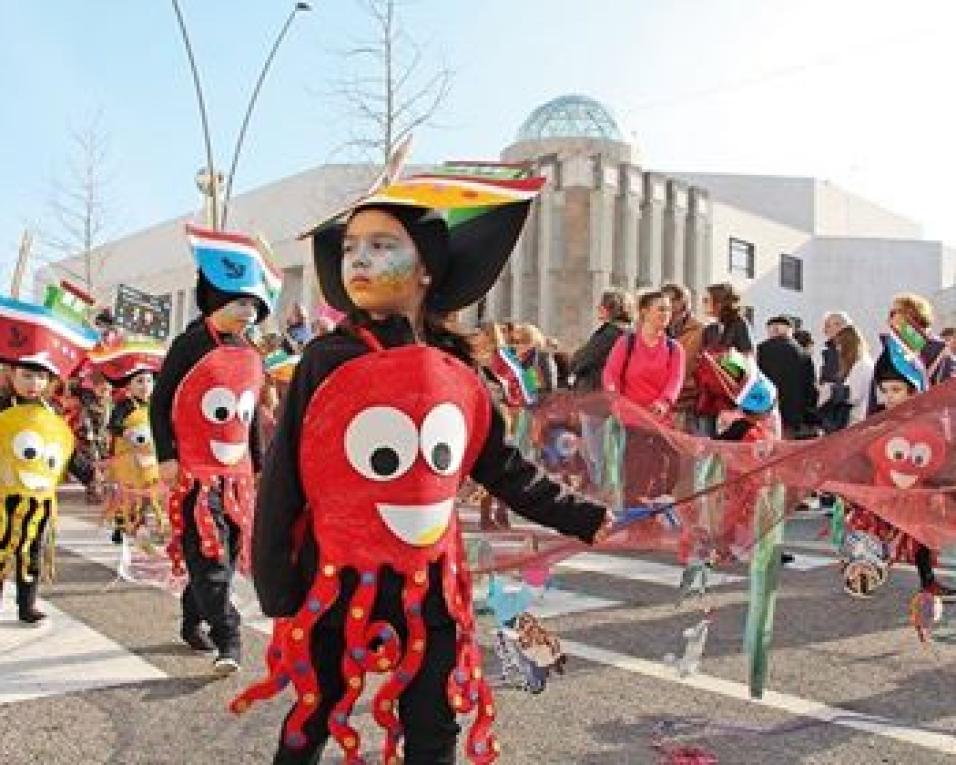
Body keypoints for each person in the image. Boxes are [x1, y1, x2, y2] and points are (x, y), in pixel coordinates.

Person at [236, 167, 614, 765]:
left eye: (381, 246)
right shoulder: (325, 359)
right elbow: (287, 474)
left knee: (434, 724)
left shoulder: (454, 371)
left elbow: (502, 466)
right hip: (339, 581)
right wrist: (277, 579)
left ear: (425, 271)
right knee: (312, 715)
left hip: (427, 586)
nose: (357, 260)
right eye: (351, 248)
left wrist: (584, 516)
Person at [151, 224, 276, 673]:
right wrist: (165, 455)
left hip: (237, 476)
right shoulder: (189, 345)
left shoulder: (252, 352)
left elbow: (251, 416)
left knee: (216, 555)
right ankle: (230, 638)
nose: (248, 312)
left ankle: (192, 620)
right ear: (214, 298)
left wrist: (259, 466)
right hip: (195, 474)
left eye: (254, 305)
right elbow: (160, 400)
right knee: (208, 556)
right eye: (240, 302)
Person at [0, 296, 98, 624]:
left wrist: (89, 475)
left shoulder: (51, 414)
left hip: (40, 500)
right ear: (11, 373)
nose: (34, 383)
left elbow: (63, 451)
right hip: (2, 498)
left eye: (41, 378)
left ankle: (26, 605)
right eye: (27, 376)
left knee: (31, 552)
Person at [603, 290, 686, 503]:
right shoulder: (626, 343)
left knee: (665, 470)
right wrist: (615, 399)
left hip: (662, 421)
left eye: (668, 309)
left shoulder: (674, 348)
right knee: (636, 471)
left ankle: (654, 518)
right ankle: (634, 519)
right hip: (632, 419)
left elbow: (676, 380)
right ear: (644, 312)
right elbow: (610, 374)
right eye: (660, 309)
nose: (666, 314)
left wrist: (664, 401)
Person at [97, 342, 165, 544]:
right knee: (125, 495)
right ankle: (120, 525)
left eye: (149, 381)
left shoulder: (154, 406)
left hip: (149, 458)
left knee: (146, 493)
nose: (145, 386)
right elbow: (113, 426)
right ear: (129, 386)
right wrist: (125, 432)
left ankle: (140, 523)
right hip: (126, 460)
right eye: (140, 382)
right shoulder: (124, 405)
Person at [694, 282, 753, 436]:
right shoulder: (709, 329)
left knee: (728, 446)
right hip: (709, 396)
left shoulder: (740, 324)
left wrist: (721, 360)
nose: (703, 304)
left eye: (707, 300)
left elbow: (749, 362)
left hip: (732, 398)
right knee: (707, 445)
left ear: (720, 302)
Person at [756, 316, 817, 439]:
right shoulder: (804, 354)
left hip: (765, 412)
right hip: (793, 416)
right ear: (790, 331)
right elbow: (810, 389)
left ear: (772, 330)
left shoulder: (760, 350)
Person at [569, 289, 635, 392]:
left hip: (597, 391)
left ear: (609, 309)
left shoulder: (610, 333)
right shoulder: (631, 332)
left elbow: (581, 361)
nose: (598, 308)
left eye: (601, 304)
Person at [661, 282, 705, 432]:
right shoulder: (658, 329)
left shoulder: (700, 331)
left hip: (687, 403)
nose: (664, 306)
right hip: (659, 402)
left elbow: (694, 366)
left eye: (669, 301)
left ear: (682, 303)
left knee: (686, 451)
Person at [817, 325, 873, 428]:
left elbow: (854, 395)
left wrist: (831, 390)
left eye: (839, 345)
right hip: (856, 417)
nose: (838, 349)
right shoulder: (862, 362)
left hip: (857, 419)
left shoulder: (861, 365)